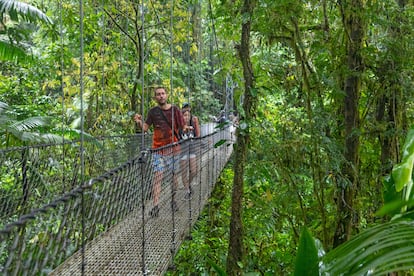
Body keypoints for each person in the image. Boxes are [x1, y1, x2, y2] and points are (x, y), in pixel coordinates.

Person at [134, 86, 190, 217]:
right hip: (158, 150)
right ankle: (155, 206)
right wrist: (138, 122)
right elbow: (145, 128)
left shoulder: (175, 110)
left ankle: (173, 200)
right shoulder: (153, 112)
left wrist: (188, 128)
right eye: (158, 94)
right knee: (157, 177)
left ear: (167, 95)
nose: (161, 96)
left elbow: (183, 126)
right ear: (155, 98)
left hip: (174, 149)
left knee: (174, 177)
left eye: (163, 93)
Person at [180, 103, 201, 199]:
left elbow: (198, 135)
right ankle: (188, 191)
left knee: (194, 170)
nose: (186, 117)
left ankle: (188, 184)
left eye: (188, 114)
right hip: (181, 151)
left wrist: (195, 123)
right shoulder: (178, 123)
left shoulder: (193, 121)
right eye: (184, 114)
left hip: (192, 149)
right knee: (184, 172)